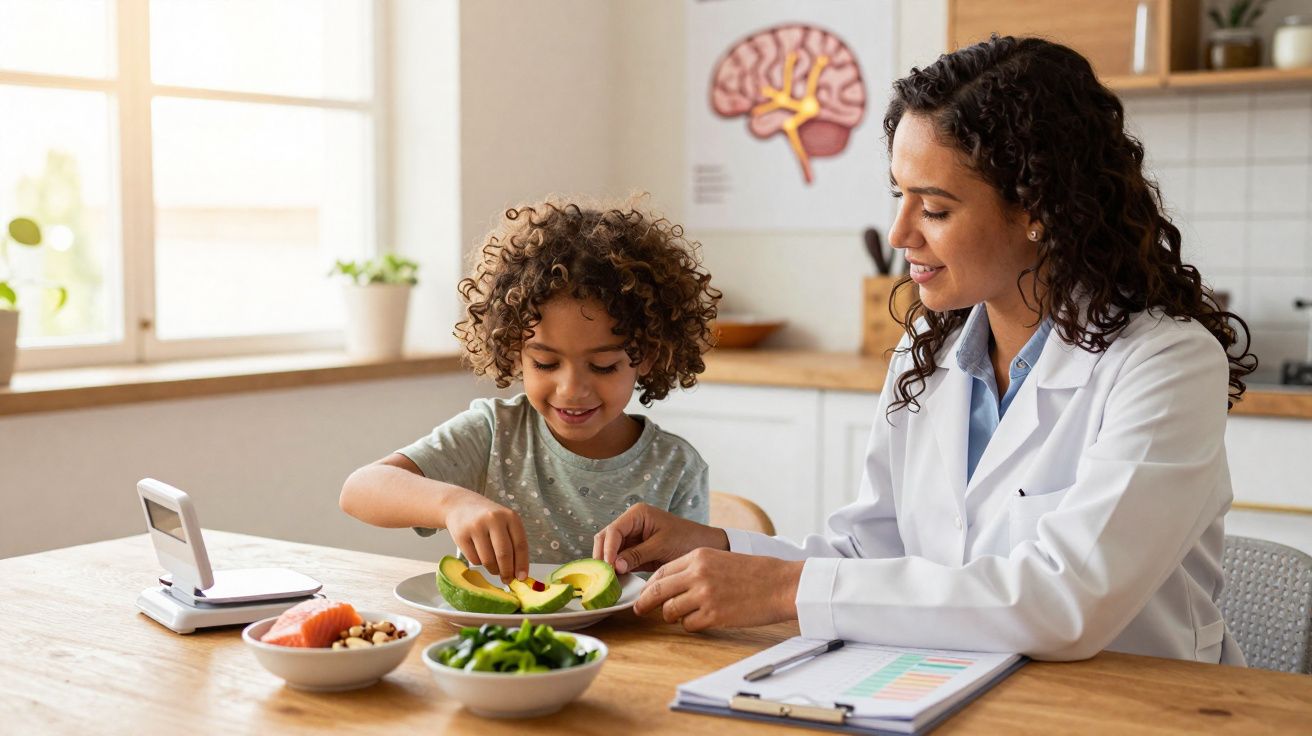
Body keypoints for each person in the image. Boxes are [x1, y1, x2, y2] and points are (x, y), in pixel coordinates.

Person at [593, 36, 1256, 665]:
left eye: (934, 208)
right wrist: (715, 547)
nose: (900, 232)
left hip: (1134, 706)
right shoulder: (929, 351)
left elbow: (1064, 600)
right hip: (958, 686)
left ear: (1039, 210)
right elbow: (869, 553)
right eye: (898, 196)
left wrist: (779, 589)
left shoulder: (1165, 364)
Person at [341, 198, 720, 583]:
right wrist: (453, 504)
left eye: (603, 366)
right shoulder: (494, 434)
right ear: (512, 350)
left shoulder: (676, 466)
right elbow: (360, 489)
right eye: (545, 363)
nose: (571, 389)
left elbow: (690, 584)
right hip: (497, 640)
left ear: (648, 356)